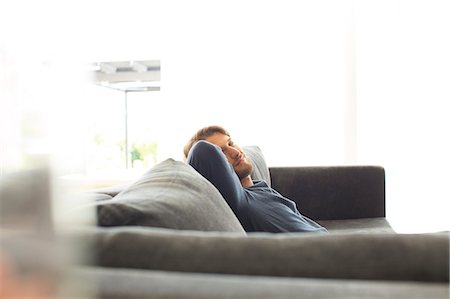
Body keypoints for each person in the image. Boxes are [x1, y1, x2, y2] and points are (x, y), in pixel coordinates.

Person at [184, 125, 327, 233]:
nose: (235, 153)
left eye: (230, 143)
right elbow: (201, 150)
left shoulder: (261, 188)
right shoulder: (237, 201)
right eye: (222, 152)